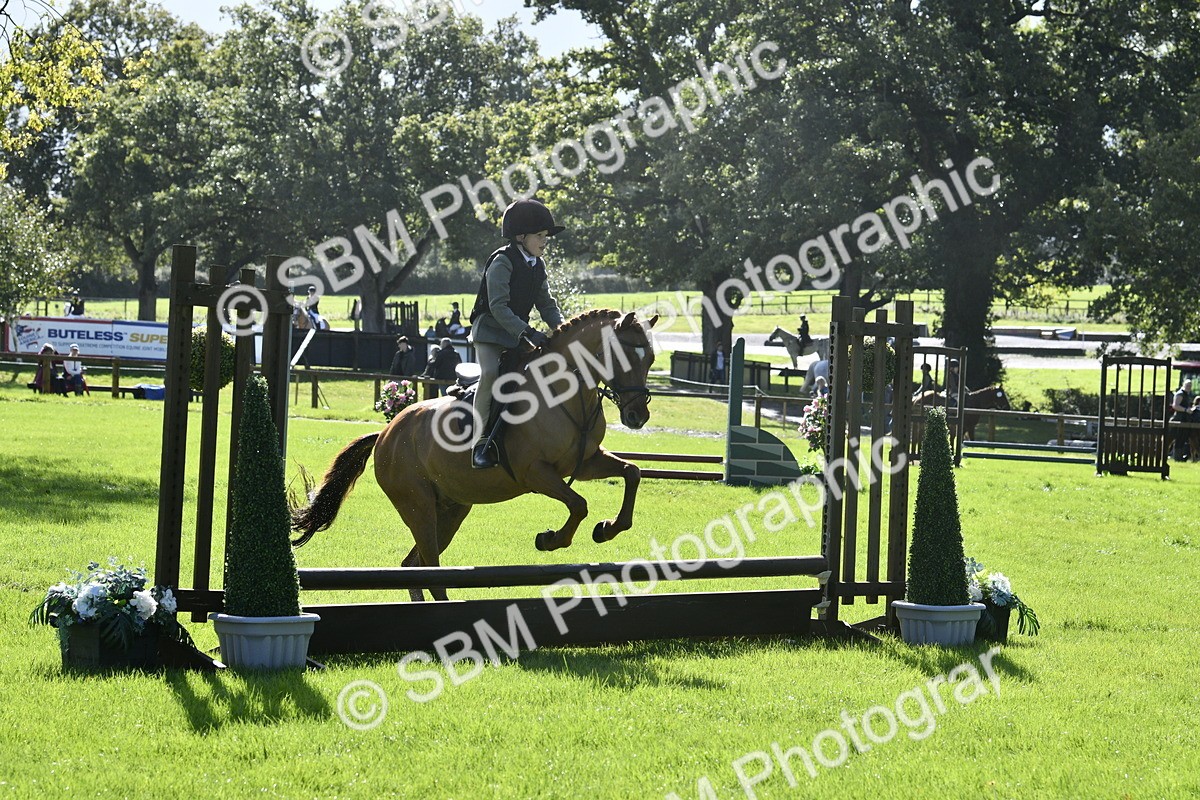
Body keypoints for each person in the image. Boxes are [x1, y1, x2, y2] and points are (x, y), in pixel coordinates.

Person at [468, 197, 565, 469]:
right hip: (490, 332)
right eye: (540, 236)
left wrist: (563, 329)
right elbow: (498, 307)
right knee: (489, 375)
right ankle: (479, 442)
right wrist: (527, 332)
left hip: (516, 334)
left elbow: (546, 304)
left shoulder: (538, 265)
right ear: (520, 236)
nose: (545, 241)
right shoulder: (502, 261)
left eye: (546, 236)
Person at [1170, 378, 1193, 461]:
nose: (1189, 387)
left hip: (1185, 419)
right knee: (1176, 438)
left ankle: (1179, 457)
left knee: (1182, 438)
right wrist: (1186, 410)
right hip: (1178, 419)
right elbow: (1175, 406)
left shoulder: (1187, 394)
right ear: (1184, 385)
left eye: (1190, 385)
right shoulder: (1180, 394)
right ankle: (1176, 457)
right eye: (1187, 385)